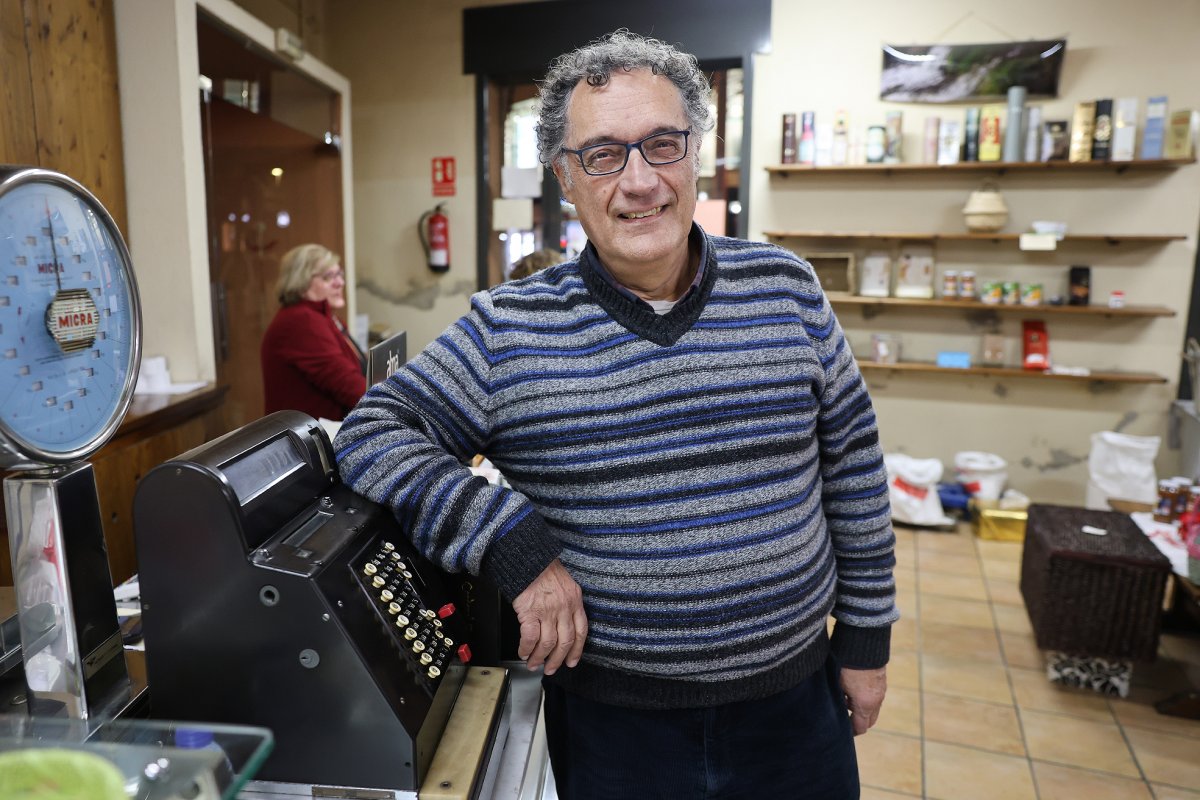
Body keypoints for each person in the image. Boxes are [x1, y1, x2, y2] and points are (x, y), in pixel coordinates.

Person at [334, 30, 896, 799]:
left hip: (794, 711)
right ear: (566, 179)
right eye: (602, 155)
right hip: (615, 732)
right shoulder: (510, 329)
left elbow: (855, 468)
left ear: (697, 153)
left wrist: (866, 640)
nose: (639, 181)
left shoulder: (786, 288)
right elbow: (371, 432)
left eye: (662, 145)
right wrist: (510, 540)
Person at [261, 243, 366, 420]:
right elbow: (347, 384)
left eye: (339, 274)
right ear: (300, 283)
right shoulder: (301, 321)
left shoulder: (325, 317)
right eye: (328, 277)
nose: (340, 283)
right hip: (310, 441)